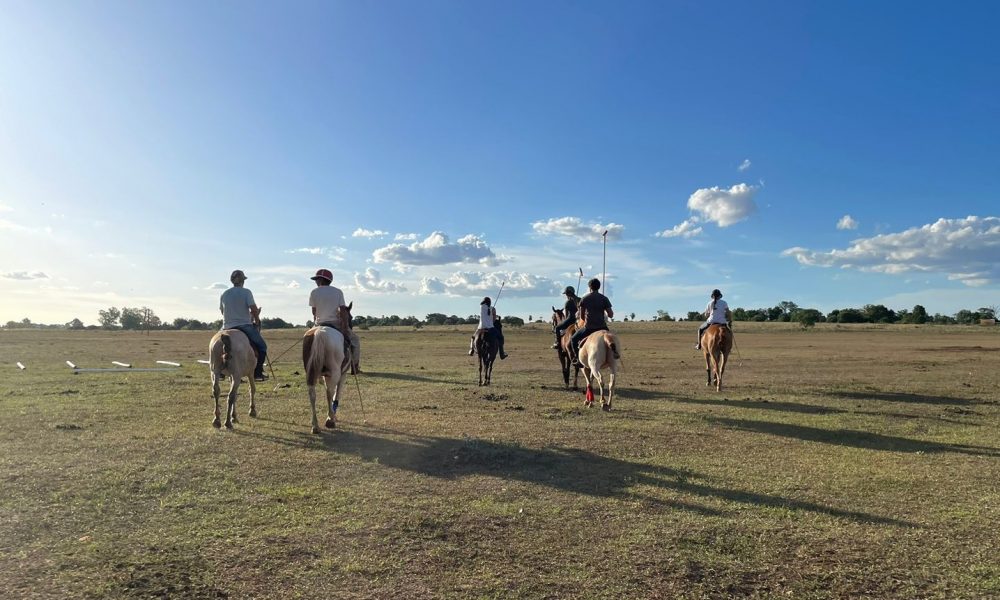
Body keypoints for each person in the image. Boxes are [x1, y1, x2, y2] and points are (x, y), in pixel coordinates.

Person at [219, 269, 268, 381]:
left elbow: (222, 312)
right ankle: (258, 373)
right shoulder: (246, 292)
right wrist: (256, 319)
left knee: (216, 344)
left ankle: (220, 372)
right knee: (262, 347)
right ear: (243, 281)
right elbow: (254, 309)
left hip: (226, 327)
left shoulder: (224, 294)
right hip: (244, 325)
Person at [308, 268, 361, 371]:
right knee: (355, 340)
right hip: (335, 324)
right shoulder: (338, 292)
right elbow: (343, 311)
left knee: (308, 340)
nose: (315, 282)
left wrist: (315, 324)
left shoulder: (314, 292)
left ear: (321, 280)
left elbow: (314, 312)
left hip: (319, 324)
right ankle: (355, 367)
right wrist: (345, 328)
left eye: (316, 280)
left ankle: (310, 366)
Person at [570, 278, 614, 366]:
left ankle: (577, 359)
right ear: (599, 287)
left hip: (589, 328)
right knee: (612, 340)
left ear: (589, 287)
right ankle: (614, 354)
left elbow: (582, 316)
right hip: (602, 327)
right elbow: (611, 315)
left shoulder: (584, 299)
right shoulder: (604, 298)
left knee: (573, 339)